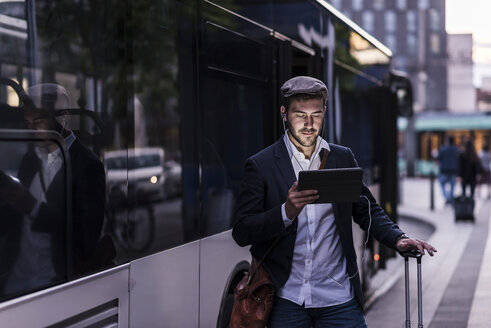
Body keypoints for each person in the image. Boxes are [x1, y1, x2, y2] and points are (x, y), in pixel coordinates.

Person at [232, 76, 436, 328]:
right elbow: (242, 230)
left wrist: (397, 238)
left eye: (316, 115)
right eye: (300, 114)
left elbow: (366, 209)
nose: (309, 124)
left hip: (339, 299)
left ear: (324, 112)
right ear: (284, 113)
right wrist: (286, 212)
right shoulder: (261, 165)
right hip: (286, 299)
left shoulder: (341, 157)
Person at [0, 84, 107, 297]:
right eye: (28, 123)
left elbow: (84, 238)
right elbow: (17, 221)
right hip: (19, 280)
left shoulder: (86, 164)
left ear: (63, 118)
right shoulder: (30, 160)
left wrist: (34, 208)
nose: (32, 129)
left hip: (56, 282)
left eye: (39, 121)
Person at [437, 136, 460, 204]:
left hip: (444, 170)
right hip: (453, 170)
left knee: (442, 184)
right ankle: (450, 197)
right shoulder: (456, 150)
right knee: (452, 186)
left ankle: (447, 197)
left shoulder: (443, 149)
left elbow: (439, 159)